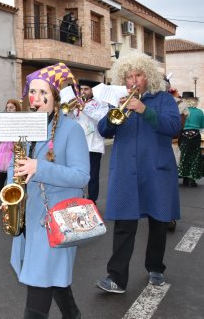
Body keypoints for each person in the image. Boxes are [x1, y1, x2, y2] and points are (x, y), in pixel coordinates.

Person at [7, 63, 89, 319]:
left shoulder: (72, 129)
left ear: (55, 97)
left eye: (44, 93)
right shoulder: (25, 126)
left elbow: (81, 175)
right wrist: (10, 192)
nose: (37, 99)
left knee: (39, 282)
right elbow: (14, 164)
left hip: (57, 217)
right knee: (51, 277)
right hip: (30, 215)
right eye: (33, 92)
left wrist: (39, 167)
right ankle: (72, 314)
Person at [96, 53, 181, 294]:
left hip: (156, 171)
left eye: (138, 75)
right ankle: (116, 277)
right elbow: (103, 129)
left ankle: (155, 267)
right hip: (127, 172)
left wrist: (144, 109)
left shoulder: (164, 99)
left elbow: (174, 127)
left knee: (158, 220)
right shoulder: (120, 101)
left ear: (148, 76)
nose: (134, 80)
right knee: (124, 224)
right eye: (129, 76)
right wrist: (116, 118)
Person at [67, 79, 109, 202]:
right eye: (82, 89)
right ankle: (77, 198)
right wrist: (70, 110)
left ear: (92, 90)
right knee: (75, 173)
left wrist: (85, 108)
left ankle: (92, 200)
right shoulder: (77, 103)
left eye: (86, 89)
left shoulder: (101, 103)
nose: (83, 92)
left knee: (93, 176)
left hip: (93, 144)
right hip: (77, 144)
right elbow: (71, 119)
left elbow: (101, 118)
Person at [178, 92, 203, 187]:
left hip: (183, 135)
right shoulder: (200, 112)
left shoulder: (182, 111)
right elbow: (202, 126)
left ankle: (184, 178)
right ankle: (192, 179)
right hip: (195, 135)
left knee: (184, 155)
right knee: (195, 156)